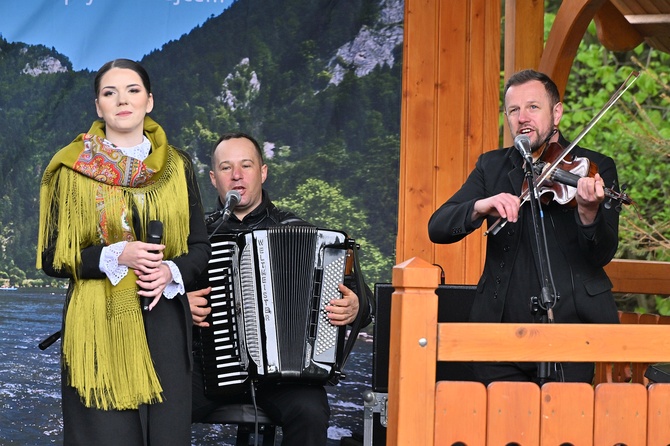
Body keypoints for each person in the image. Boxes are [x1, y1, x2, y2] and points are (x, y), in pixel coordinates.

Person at [36, 59, 211, 445]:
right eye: (109, 93)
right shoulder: (70, 169)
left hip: (164, 322)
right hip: (97, 326)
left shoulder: (178, 167)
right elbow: (52, 257)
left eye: (132, 90)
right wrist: (116, 255)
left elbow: (200, 248)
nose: (122, 100)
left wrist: (170, 271)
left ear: (149, 100)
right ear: (98, 106)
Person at [427, 69, 620, 385]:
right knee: (504, 431)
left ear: (556, 112)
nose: (522, 117)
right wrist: (481, 206)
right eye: (513, 110)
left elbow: (602, 253)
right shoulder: (492, 167)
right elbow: (438, 227)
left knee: (564, 431)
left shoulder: (592, 167)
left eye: (533, 107)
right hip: (500, 335)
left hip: (570, 331)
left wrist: (587, 212)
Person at [188, 132, 373, 446]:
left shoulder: (298, 229)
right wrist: (181, 303)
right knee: (157, 406)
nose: (236, 175)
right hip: (208, 368)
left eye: (246, 165)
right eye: (225, 167)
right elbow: (159, 295)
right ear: (213, 178)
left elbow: (365, 304)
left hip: (283, 378)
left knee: (311, 411)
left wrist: (355, 307)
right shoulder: (197, 235)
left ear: (262, 172)